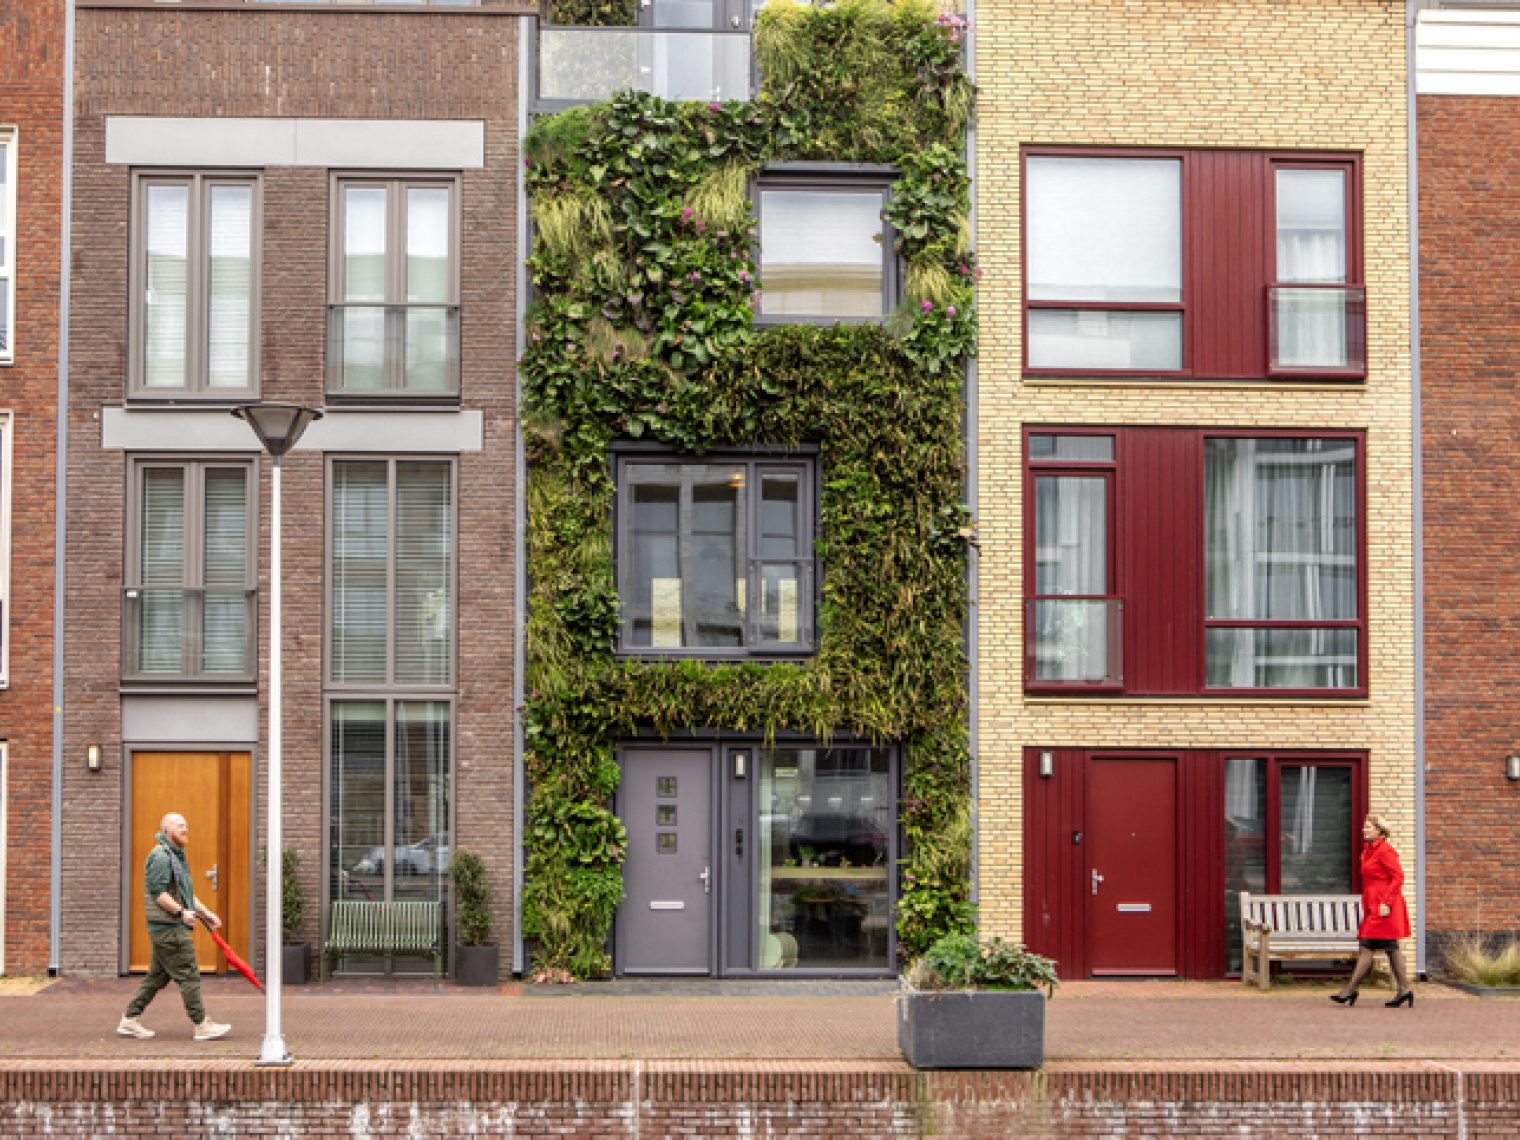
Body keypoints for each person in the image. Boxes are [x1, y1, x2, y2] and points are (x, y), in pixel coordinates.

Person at [116, 812, 232, 1041]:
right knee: (189, 975)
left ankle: (129, 1019)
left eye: (186, 825)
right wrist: (180, 913)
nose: (185, 829)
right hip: (168, 929)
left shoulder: (176, 856)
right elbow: (158, 894)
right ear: (167, 830)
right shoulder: (160, 857)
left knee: (156, 978)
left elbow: (185, 895)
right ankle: (201, 1025)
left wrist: (206, 914)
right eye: (180, 826)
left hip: (166, 929)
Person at [1330, 813, 1414, 1008]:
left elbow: (1398, 877)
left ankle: (1350, 989)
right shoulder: (1367, 851)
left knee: (1366, 945)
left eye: (1368, 827)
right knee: (1391, 948)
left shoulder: (1385, 851)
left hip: (1384, 907)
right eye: (1364, 826)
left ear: (1379, 831)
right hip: (1373, 905)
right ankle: (1405, 990)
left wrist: (1386, 902)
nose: (1363, 830)